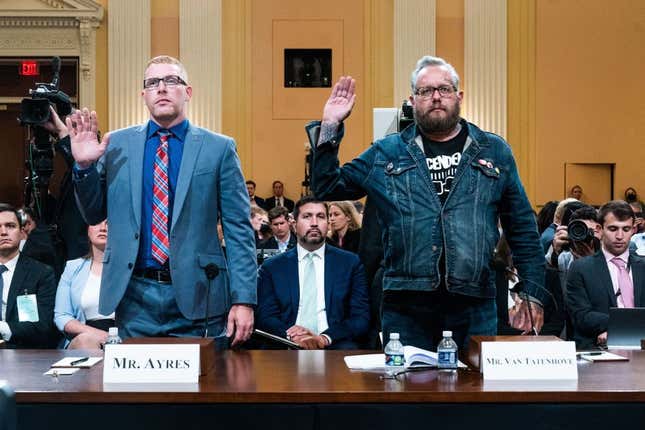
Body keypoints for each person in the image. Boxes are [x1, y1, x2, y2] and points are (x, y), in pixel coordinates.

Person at [306, 55, 546, 350]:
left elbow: (522, 229)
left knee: (473, 391)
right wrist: (330, 125)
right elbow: (327, 185)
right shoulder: (388, 152)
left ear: (459, 97)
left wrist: (532, 293)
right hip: (406, 305)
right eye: (425, 91)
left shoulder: (494, 151)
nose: (435, 97)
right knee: (407, 391)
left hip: (475, 302)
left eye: (444, 89)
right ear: (412, 100)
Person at [68, 55, 256, 344]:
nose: (162, 88)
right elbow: (93, 214)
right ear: (144, 95)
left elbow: (238, 230)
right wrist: (83, 168)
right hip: (134, 295)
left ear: (188, 92)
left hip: (199, 294)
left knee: (201, 385)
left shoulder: (218, 148)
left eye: (171, 80)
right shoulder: (115, 144)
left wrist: (243, 300)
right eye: (153, 82)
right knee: (140, 388)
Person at [256, 196, 369, 349]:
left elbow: (360, 317)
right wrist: (292, 336)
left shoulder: (350, 263)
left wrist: (325, 338)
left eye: (321, 216)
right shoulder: (272, 267)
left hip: (334, 344)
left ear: (327, 223)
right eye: (307, 216)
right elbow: (266, 316)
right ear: (294, 224)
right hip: (287, 344)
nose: (314, 223)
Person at [566, 201, 645, 349]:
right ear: (599, 229)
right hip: (597, 348)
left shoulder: (643, 267)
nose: (620, 236)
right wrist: (626, 327)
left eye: (626, 229)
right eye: (613, 229)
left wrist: (619, 328)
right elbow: (581, 316)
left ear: (634, 230)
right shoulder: (580, 269)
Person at [0, 204, 58, 348]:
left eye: (10, 226)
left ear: (22, 232)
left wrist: (3, 328)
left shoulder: (41, 273)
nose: (3, 232)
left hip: (24, 352)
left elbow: (43, 326)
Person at [54, 220, 115, 349]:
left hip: (124, 336)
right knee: (86, 340)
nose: (103, 228)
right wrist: (100, 334)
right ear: (88, 230)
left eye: (109, 223)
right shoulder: (72, 267)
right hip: (85, 336)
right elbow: (62, 316)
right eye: (96, 222)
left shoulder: (131, 270)